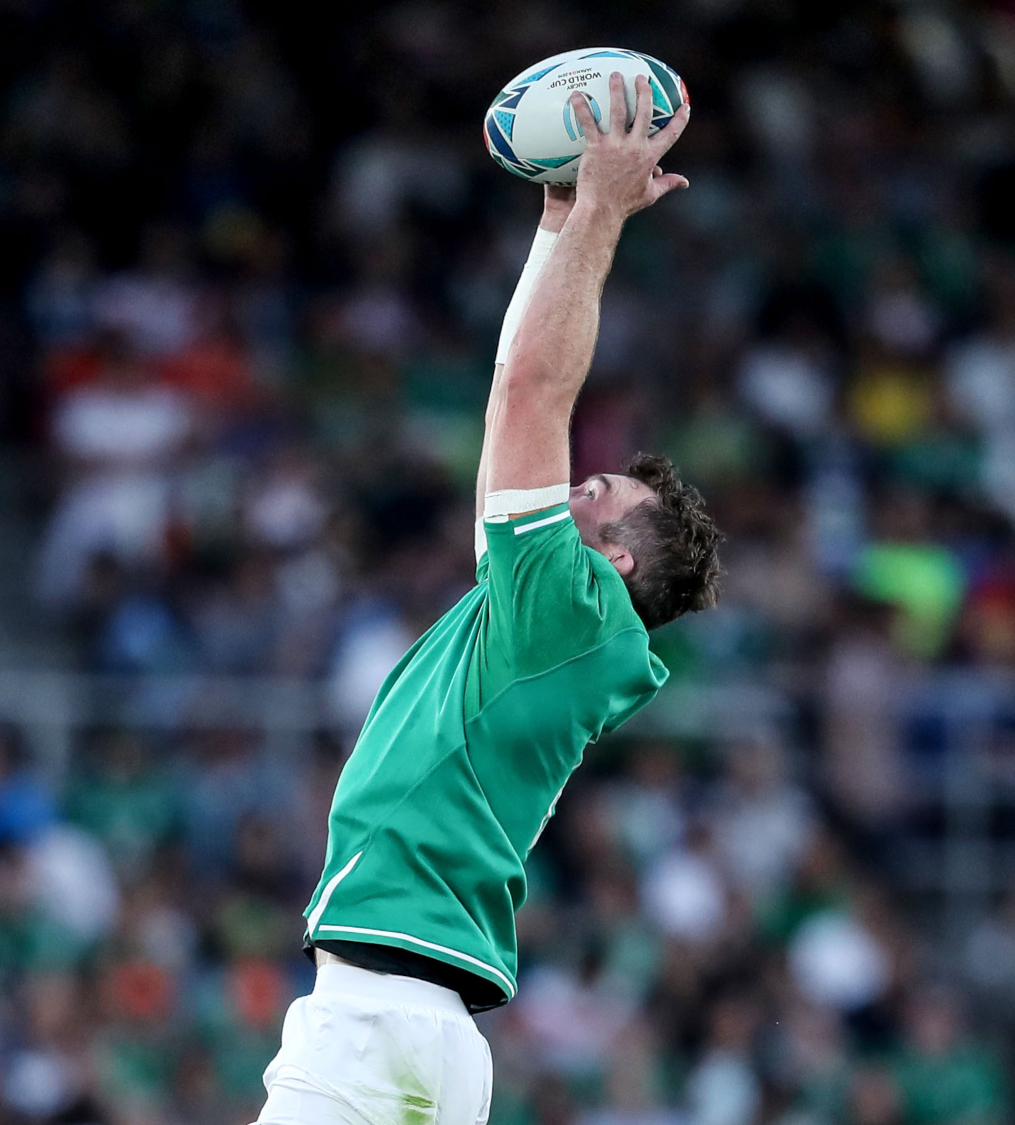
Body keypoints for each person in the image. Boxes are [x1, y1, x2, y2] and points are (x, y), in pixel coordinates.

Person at [254, 75, 721, 1125]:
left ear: (616, 565)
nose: (561, 488)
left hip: (376, 1022)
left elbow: (532, 394)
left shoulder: (565, 607)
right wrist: (559, 224)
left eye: (588, 494)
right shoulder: (543, 625)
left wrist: (600, 211)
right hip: (420, 1029)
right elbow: (514, 385)